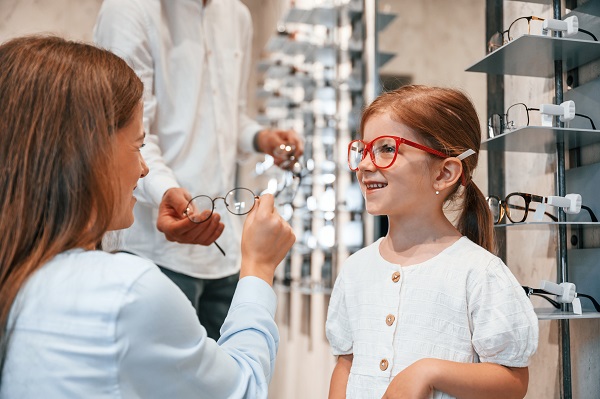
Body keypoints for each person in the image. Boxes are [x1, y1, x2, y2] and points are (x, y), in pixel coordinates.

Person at [0, 35, 294, 398]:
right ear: (91, 150)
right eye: (138, 146)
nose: (143, 171)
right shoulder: (127, 291)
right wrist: (259, 267)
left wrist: (258, 137)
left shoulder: (20, 275)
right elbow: (243, 387)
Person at [93, 0, 304, 340]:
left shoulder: (237, 15)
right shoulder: (128, 10)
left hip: (225, 251)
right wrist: (165, 193)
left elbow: (228, 116)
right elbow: (126, 134)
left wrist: (260, 137)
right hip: (154, 250)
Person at [326, 85, 539, 399]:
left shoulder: (480, 273)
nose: (365, 165)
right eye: (364, 149)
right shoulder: (356, 270)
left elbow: (512, 382)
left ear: (444, 173)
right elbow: (346, 364)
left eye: (386, 149)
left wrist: (429, 371)